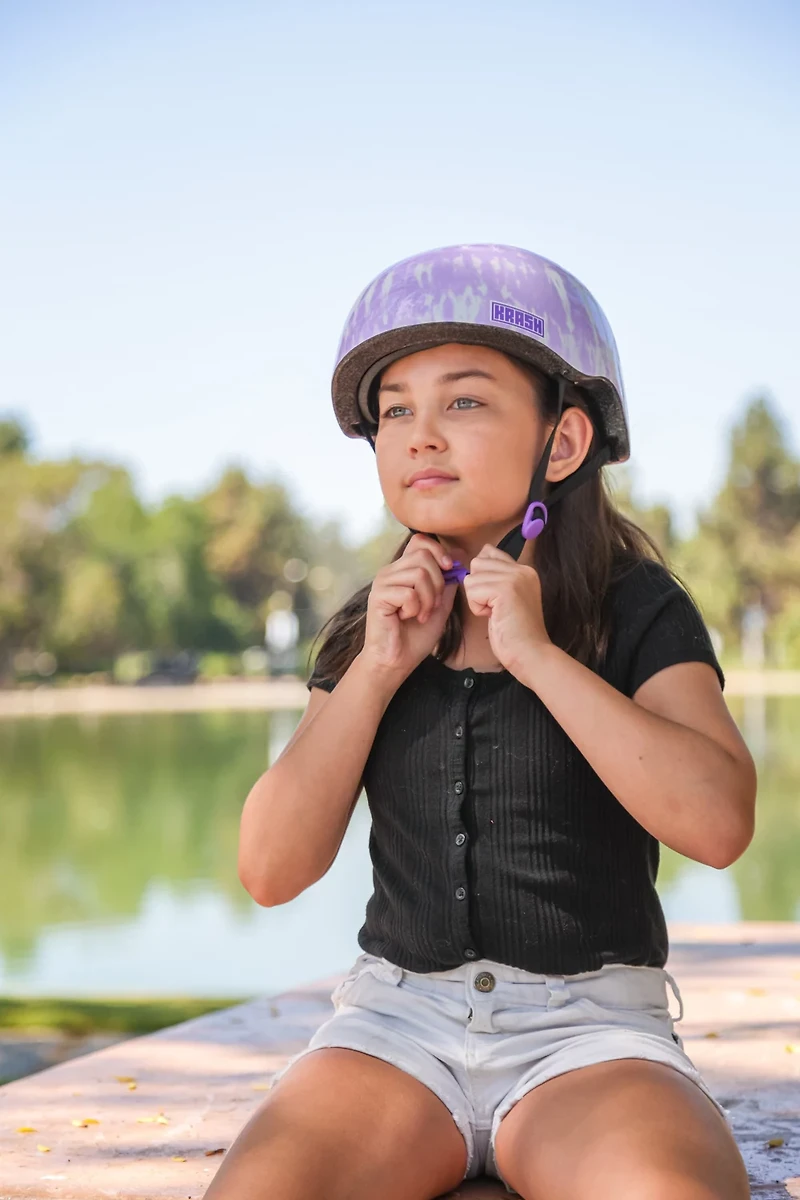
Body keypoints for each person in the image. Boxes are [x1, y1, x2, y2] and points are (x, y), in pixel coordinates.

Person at [209, 245, 756, 1200]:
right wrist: (378, 670)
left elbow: (718, 825)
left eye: (463, 401)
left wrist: (540, 658)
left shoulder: (634, 607)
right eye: (396, 410)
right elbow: (269, 869)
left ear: (565, 441)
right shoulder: (369, 626)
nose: (421, 435)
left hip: (591, 1036)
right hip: (394, 1029)